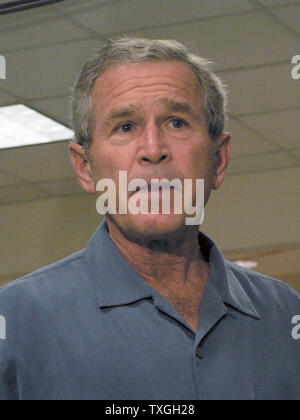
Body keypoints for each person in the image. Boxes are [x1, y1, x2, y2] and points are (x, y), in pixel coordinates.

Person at [0, 37, 299, 401]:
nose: (154, 150)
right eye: (125, 126)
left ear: (218, 160)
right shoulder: (15, 321)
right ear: (85, 167)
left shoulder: (285, 314)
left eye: (176, 122)